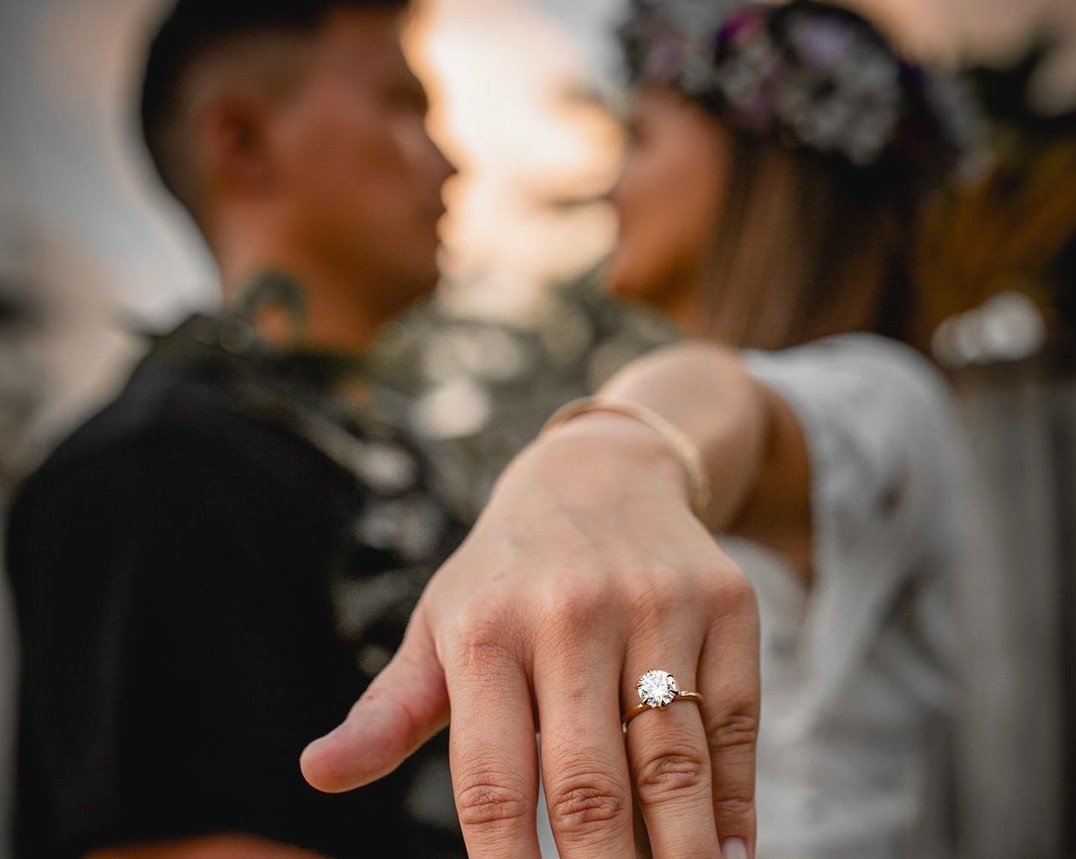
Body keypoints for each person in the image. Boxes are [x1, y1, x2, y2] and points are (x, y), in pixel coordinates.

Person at [301, 2, 984, 858]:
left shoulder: (886, 397)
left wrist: (604, 454)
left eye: (641, 141)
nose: (612, 187)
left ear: (761, 165)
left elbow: (728, 404)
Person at [5, 1, 472, 856]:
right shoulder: (156, 471)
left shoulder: (392, 456)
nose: (449, 163)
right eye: (402, 106)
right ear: (242, 140)